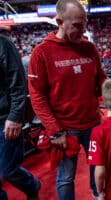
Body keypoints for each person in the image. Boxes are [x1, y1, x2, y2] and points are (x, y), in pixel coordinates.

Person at [27, 0, 107, 199]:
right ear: (60, 21)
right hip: (65, 129)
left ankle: (99, 196)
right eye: (77, 26)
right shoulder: (41, 53)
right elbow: (37, 96)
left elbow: (101, 80)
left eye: (85, 24)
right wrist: (55, 132)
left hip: (93, 124)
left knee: (99, 168)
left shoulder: (89, 48)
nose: (83, 30)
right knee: (65, 178)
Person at [0, 34, 40, 200]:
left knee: (6, 169)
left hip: (5, 118)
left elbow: (18, 83)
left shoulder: (3, 44)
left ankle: (32, 185)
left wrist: (15, 116)